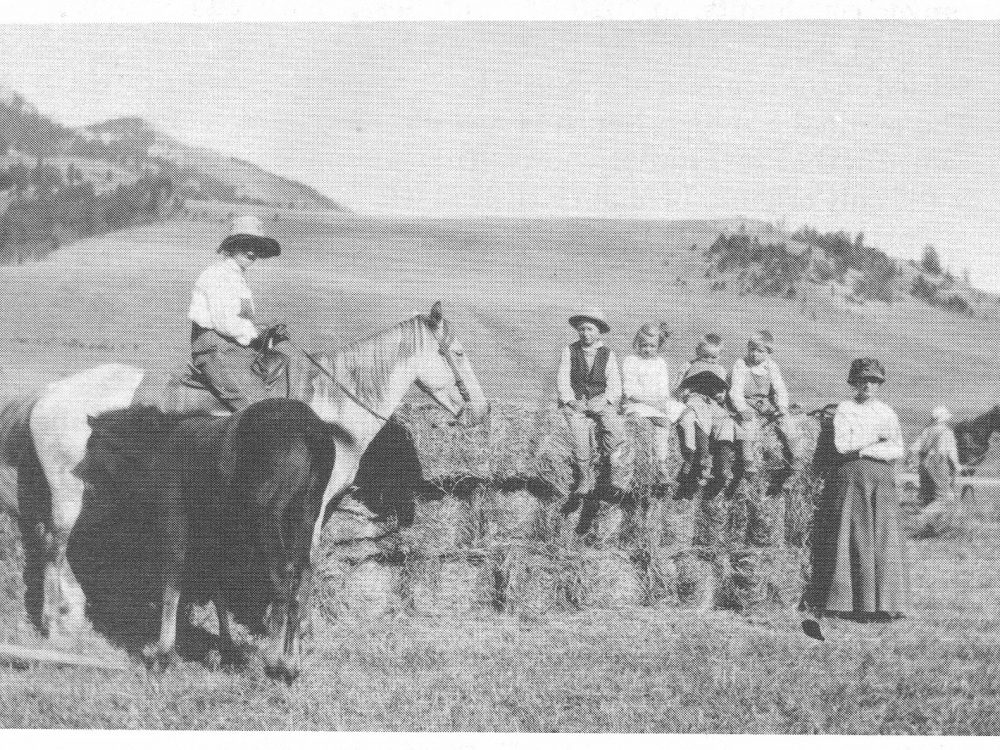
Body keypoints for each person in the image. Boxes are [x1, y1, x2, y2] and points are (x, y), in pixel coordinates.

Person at [804, 357, 910, 630]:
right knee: (854, 535)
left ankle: (885, 605)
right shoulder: (845, 410)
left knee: (882, 538)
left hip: (881, 480)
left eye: (874, 381)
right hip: (851, 478)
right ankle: (849, 604)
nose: (869, 386)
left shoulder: (887, 412)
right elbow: (842, 445)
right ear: (853, 382)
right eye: (863, 380)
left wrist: (867, 448)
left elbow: (897, 449)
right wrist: (875, 441)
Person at [188, 215, 288, 411]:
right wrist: (258, 333)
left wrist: (266, 333)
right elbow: (226, 324)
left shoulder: (237, 279)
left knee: (285, 363)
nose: (252, 252)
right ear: (232, 246)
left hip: (236, 350)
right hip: (216, 353)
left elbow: (239, 322)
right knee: (263, 415)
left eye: (257, 247)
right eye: (245, 245)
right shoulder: (217, 275)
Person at [556, 309, 630, 500]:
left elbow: (614, 382)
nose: (585, 334)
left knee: (613, 425)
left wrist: (605, 400)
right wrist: (571, 400)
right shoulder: (569, 351)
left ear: (598, 332)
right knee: (578, 430)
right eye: (581, 329)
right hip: (578, 401)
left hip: (600, 399)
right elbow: (563, 378)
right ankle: (584, 476)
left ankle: (615, 470)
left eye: (590, 329)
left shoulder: (607, 354)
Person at [727, 330, 798, 497]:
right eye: (752, 349)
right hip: (746, 401)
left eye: (760, 351)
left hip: (764, 402)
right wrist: (742, 408)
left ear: (768, 353)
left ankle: (796, 458)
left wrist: (781, 406)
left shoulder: (771, 366)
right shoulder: (741, 364)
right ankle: (748, 460)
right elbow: (735, 391)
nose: (755, 354)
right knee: (747, 424)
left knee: (786, 422)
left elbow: (780, 388)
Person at [621, 323, 685, 489]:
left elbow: (663, 390)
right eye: (643, 345)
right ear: (637, 344)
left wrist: (663, 402)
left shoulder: (660, 363)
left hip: (656, 402)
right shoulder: (631, 361)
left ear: (659, 346)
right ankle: (661, 465)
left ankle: (689, 457)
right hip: (638, 403)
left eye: (652, 346)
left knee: (685, 412)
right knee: (663, 421)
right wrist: (654, 404)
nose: (647, 349)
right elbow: (630, 391)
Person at [910, 405, 961, 524]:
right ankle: (922, 519)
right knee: (944, 498)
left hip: (923, 464)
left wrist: (911, 462)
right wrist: (957, 465)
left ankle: (930, 525)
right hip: (938, 463)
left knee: (928, 495)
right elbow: (951, 451)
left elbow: (914, 448)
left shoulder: (927, 430)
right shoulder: (947, 432)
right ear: (943, 419)